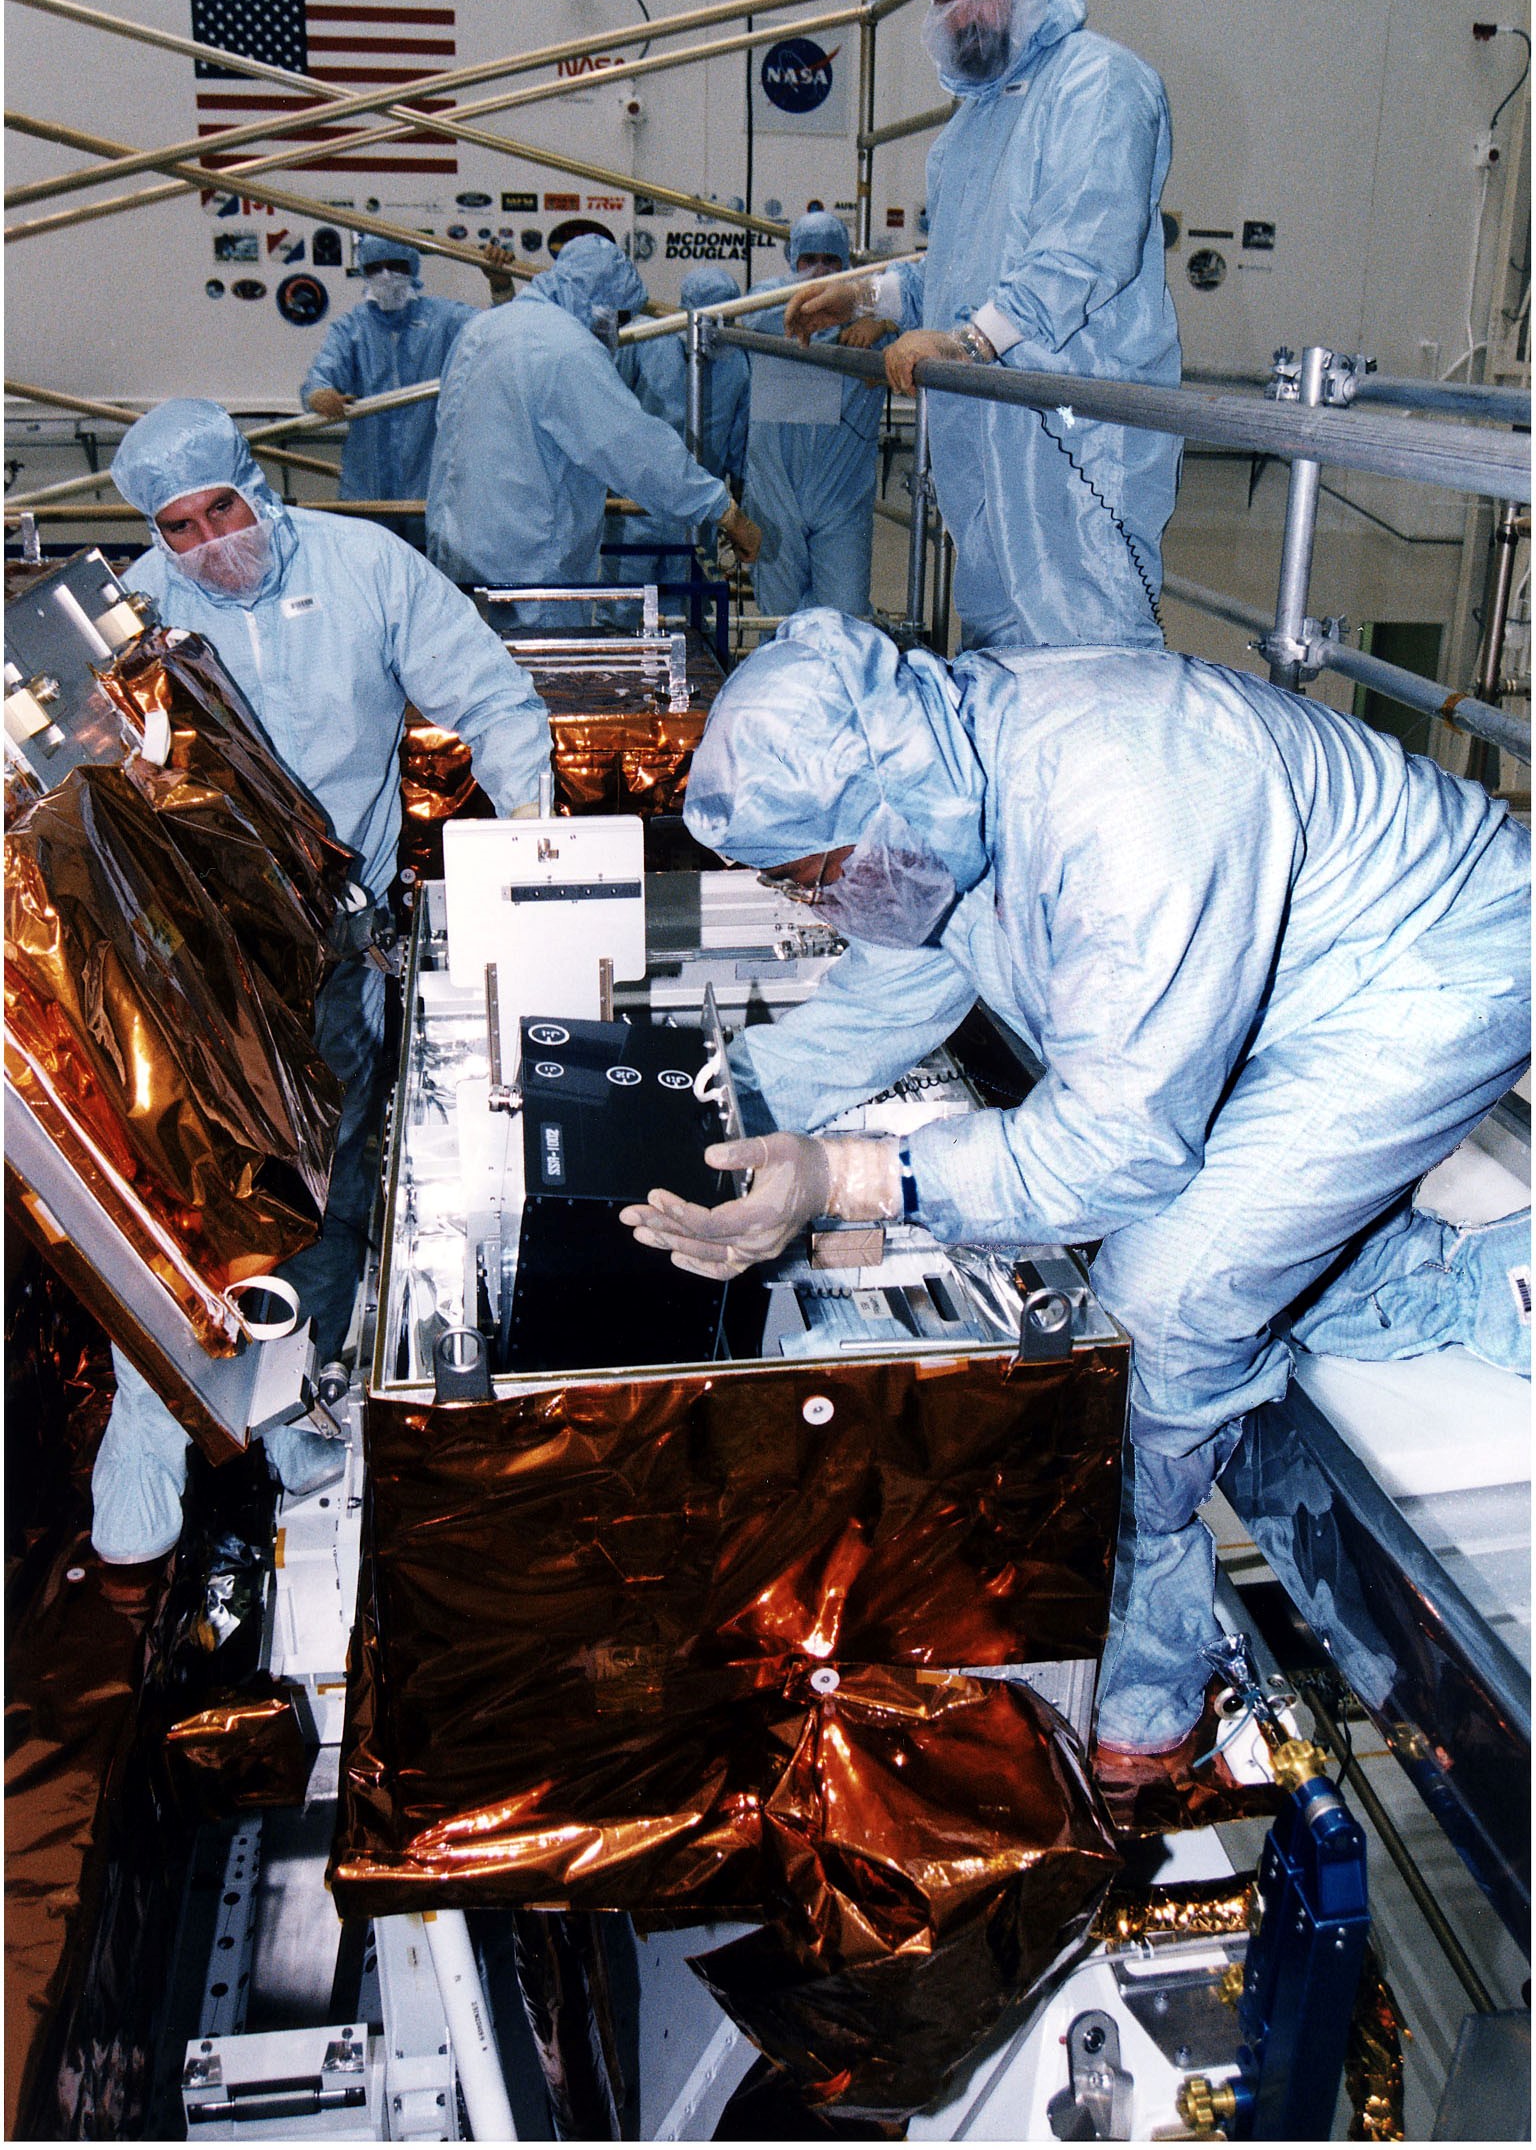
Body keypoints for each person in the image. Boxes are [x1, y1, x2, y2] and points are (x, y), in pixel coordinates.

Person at [620, 613, 1531, 1758]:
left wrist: (847, 1176)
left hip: (1429, 971)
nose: (821, 909)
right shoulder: (947, 774)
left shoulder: (1126, 800)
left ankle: (1149, 1687)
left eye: (817, 880)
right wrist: (720, 1107)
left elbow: (1117, 1152)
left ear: (881, 813)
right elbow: (893, 990)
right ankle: (1480, 1287)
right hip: (1298, 970)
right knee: (1248, 1240)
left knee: (1163, 1302)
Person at [93, 398, 551, 1564]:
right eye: (179, 528)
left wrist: (535, 848)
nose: (208, 544)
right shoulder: (133, 615)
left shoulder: (364, 569)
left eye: (221, 512)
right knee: (170, 1185)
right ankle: (150, 1416)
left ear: (258, 486)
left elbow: (491, 697)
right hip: (185, 951)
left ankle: (295, 1402)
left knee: (325, 1183)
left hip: (332, 945)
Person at [786, 0, 1182, 654]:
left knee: (1091, 660)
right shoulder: (969, 131)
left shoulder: (1098, 85)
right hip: (992, 449)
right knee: (1004, 661)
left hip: (1077, 441)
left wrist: (968, 345)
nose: (961, 10)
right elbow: (967, 271)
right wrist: (868, 294)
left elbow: (1082, 254)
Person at [426, 235, 760, 627]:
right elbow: (633, 449)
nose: (617, 331)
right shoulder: (565, 347)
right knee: (540, 682)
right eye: (619, 317)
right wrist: (724, 511)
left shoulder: (482, 328)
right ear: (598, 301)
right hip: (529, 576)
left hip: (456, 561)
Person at [743, 211, 888, 620]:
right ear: (792, 260)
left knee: (846, 614)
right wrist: (847, 314)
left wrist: (882, 323)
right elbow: (765, 313)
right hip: (776, 488)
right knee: (779, 615)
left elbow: (922, 321)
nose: (820, 269)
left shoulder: (872, 311)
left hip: (841, 492)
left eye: (831, 259)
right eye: (809, 260)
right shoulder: (767, 301)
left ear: (847, 262)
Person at [300, 232, 514, 502]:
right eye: (375, 268)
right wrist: (318, 394)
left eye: (396, 265)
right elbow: (322, 373)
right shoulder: (352, 328)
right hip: (368, 489)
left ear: (412, 267)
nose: (386, 275)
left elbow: (502, 333)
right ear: (363, 272)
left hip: (433, 486)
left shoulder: (443, 320)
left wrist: (501, 287)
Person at [609, 266, 750, 588]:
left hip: (698, 508)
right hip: (633, 507)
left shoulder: (737, 363)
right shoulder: (644, 338)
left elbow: (738, 446)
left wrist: (739, 516)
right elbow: (607, 410)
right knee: (622, 607)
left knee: (687, 611)